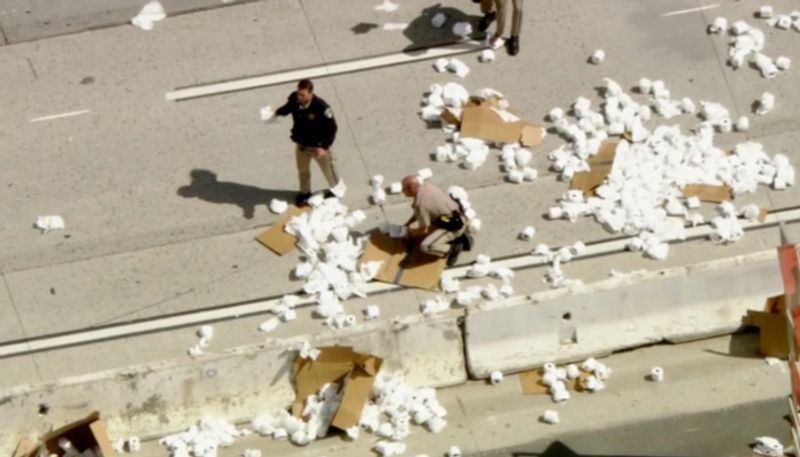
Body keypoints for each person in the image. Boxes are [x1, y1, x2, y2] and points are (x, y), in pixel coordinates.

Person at [275, 79, 340, 206]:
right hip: (302, 145)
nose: (299, 97)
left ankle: (336, 190)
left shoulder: (321, 107)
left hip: (318, 146)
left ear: (310, 93)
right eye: (298, 93)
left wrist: (324, 147)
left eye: (302, 95)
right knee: (303, 170)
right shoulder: (295, 98)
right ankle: (305, 193)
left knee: (329, 170)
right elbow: (288, 107)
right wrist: (277, 112)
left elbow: (332, 128)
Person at [401, 175, 473, 267]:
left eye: (404, 189)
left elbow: (424, 229)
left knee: (426, 246)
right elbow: (418, 214)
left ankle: (453, 248)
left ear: (411, 189)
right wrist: (407, 224)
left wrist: (411, 235)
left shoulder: (421, 203)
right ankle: (453, 237)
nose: (402, 191)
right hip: (453, 216)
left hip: (453, 226)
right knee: (412, 229)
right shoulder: (427, 187)